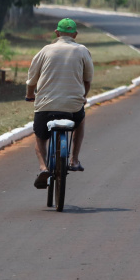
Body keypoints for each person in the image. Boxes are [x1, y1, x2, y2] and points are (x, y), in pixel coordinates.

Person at [25, 18, 94, 189]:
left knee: (40, 136)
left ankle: (43, 167)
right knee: (80, 120)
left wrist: (29, 95)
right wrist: (83, 97)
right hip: (73, 107)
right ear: (75, 35)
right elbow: (87, 80)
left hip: (45, 106)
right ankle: (74, 160)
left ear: (56, 33)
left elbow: (31, 80)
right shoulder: (82, 51)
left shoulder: (45, 51)